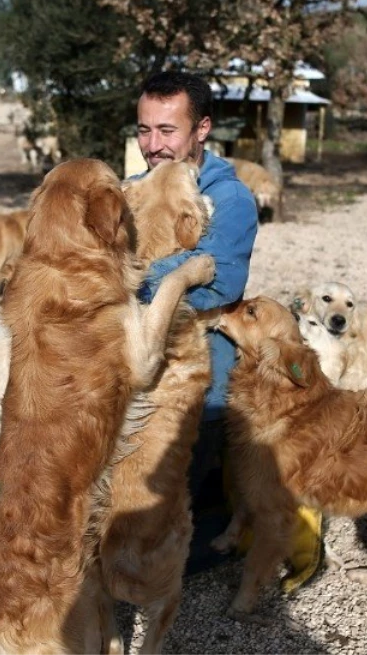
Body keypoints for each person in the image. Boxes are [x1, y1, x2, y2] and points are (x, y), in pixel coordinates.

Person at [132, 70, 259, 573]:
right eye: (144, 130)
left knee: (180, 489)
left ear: (201, 129)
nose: (153, 145)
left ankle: (206, 552)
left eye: (167, 131)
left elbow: (220, 282)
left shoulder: (230, 200)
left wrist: (123, 279)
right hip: (145, 357)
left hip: (201, 371)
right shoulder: (140, 187)